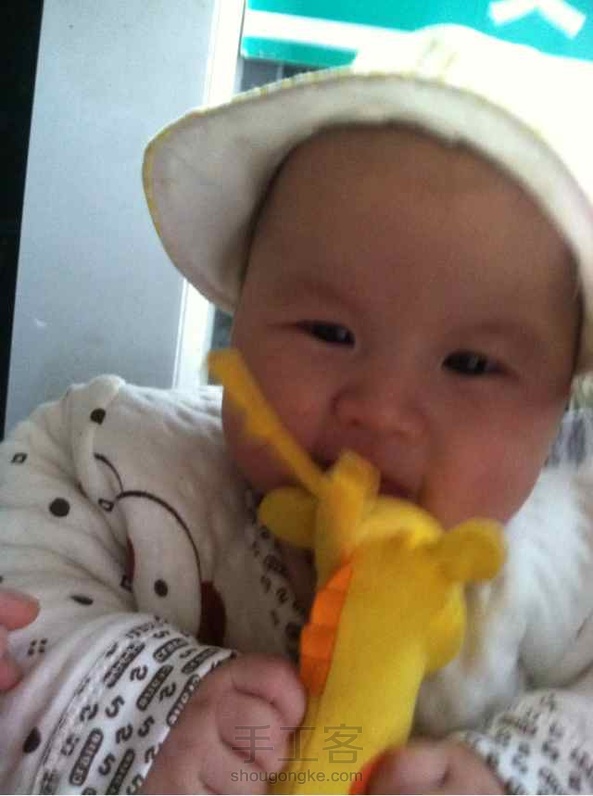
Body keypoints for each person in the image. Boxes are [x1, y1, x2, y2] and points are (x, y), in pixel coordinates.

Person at [1, 22, 593, 795]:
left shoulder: (571, 564)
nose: (380, 410)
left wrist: (512, 773)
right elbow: (22, 594)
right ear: (239, 311)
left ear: (559, 405)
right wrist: (149, 709)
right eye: (329, 332)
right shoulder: (106, 460)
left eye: (471, 365)